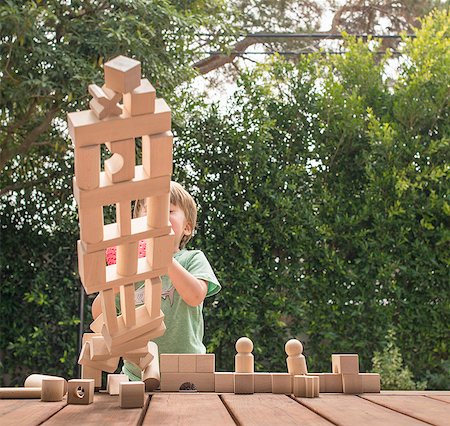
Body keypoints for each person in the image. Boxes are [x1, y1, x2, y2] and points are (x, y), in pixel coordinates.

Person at [92, 181, 221, 380]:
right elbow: (99, 314)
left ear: (187, 228)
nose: (157, 218)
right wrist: (116, 285)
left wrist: (164, 258)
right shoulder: (129, 270)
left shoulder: (191, 259)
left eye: (168, 211)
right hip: (135, 373)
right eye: (150, 212)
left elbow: (195, 296)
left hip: (186, 371)